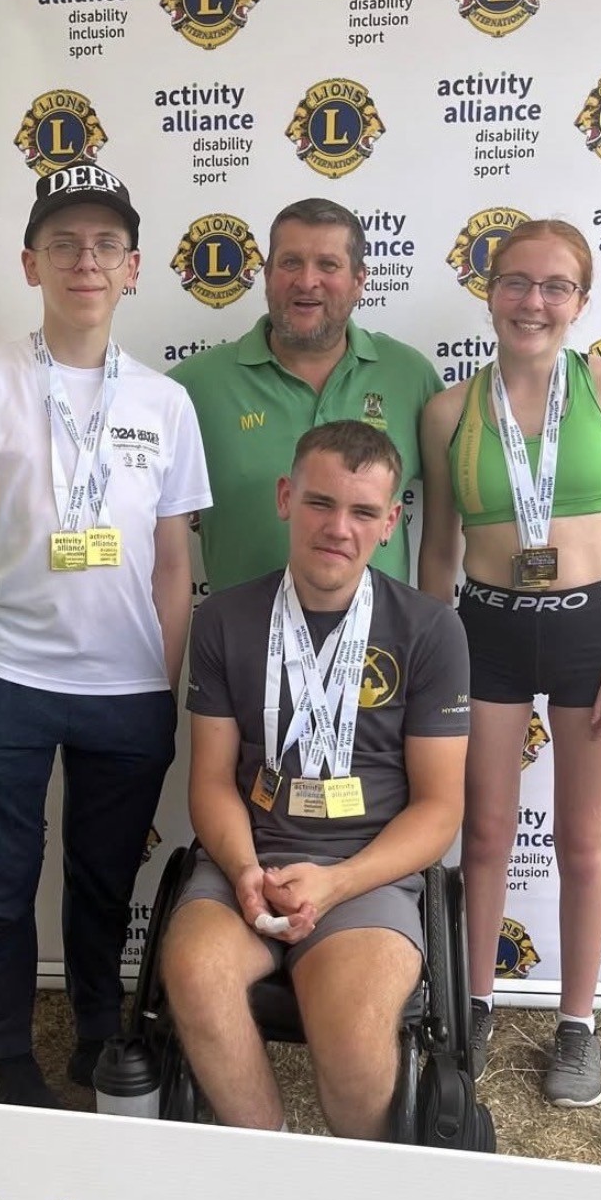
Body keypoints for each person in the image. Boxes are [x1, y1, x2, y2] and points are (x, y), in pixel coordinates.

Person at [0, 163, 211, 1110]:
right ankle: (10, 1052)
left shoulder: (165, 403)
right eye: (63, 244)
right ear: (30, 264)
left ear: (132, 267)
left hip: (126, 690)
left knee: (101, 883)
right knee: (4, 885)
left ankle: (99, 1035)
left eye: (104, 245)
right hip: (5, 676)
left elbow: (172, 562)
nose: (84, 261)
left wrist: (158, 682)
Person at [418, 218, 601, 1109]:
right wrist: (432, 656)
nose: (533, 302)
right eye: (516, 282)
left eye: (555, 286)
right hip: (485, 632)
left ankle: (577, 1025)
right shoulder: (449, 410)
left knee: (583, 839)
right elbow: (439, 550)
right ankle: (475, 1006)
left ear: (580, 301)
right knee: (484, 834)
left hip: (592, 634)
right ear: (490, 292)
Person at [159, 421, 469, 1137]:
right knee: (195, 975)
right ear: (284, 499)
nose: (338, 528)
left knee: (355, 1034)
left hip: (367, 875)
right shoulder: (224, 619)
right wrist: (244, 871)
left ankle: (356, 1186)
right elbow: (210, 782)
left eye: (363, 512)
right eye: (320, 503)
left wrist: (336, 883)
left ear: (390, 523)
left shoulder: (430, 630)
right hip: (247, 865)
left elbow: (439, 808)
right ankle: (269, 1166)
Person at [168, 198, 440, 593]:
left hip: (381, 633)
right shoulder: (193, 387)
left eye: (328, 265)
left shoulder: (410, 376)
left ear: (359, 280)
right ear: (267, 275)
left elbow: (454, 515)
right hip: (243, 631)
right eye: (291, 262)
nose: (307, 280)